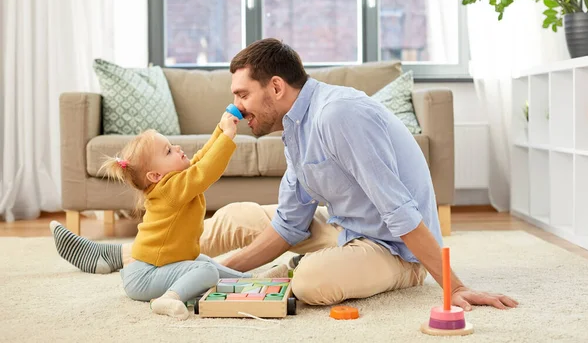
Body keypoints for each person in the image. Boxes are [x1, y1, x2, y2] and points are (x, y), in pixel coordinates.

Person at [51, 38, 518, 311]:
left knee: (309, 283)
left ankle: (174, 269)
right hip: (344, 229)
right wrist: (216, 271)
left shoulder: (338, 116)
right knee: (234, 217)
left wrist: (455, 288)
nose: (235, 107)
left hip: (393, 248)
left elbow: (402, 214)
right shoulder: (294, 127)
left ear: (275, 87)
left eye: (242, 94)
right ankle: (129, 257)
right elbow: (290, 224)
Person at [51, 111, 288, 321]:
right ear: (155, 176)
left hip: (154, 268)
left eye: (172, 145)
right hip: (144, 277)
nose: (177, 149)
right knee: (206, 271)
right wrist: (227, 137)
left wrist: (219, 130)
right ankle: (169, 298)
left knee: (204, 262)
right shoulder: (170, 189)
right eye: (168, 151)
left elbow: (199, 161)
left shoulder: (173, 182)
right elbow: (205, 171)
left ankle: (250, 279)